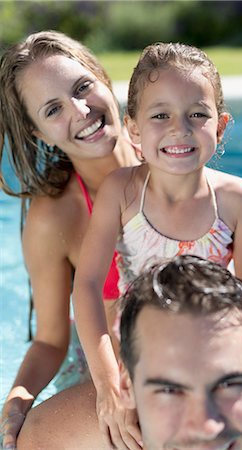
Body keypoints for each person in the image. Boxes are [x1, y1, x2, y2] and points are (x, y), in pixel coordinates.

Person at [72, 41, 242, 445]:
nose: (178, 129)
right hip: (141, 341)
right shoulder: (122, 191)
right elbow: (88, 285)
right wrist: (106, 382)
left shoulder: (236, 199)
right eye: (160, 115)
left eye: (197, 115)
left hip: (214, 336)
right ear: (133, 129)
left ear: (219, 127)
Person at [0, 30, 140, 449]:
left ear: (103, 79)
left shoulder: (173, 156)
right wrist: (17, 402)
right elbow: (50, 340)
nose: (80, 111)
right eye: (53, 109)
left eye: (83, 87)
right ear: (40, 133)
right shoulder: (54, 218)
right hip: (103, 373)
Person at [118, 255, 242, 449]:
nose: (206, 429)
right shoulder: (90, 441)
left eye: (229, 384)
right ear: (126, 387)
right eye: (170, 390)